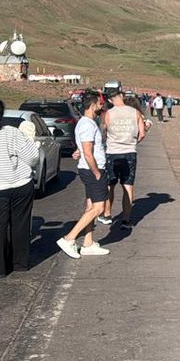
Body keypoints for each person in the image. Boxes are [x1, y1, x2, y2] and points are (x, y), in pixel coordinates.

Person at [0, 99, 40, 278]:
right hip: (19, 185)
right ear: (2, 114)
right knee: (20, 225)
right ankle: (20, 264)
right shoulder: (13, 133)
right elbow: (33, 158)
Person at [58, 91, 110, 258]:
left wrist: (78, 153)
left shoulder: (85, 123)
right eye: (99, 104)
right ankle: (69, 238)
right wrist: (97, 173)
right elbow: (88, 153)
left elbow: (83, 149)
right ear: (93, 105)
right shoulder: (87, 124)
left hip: (89, 168)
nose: (101, 106)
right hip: (92, 170)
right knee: (98, 208)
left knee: (90, 207)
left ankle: (88, 243)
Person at [99, 84, 146, 231]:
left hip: (112, 153)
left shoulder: (108, 114)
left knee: (110, 185)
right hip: (130, 152)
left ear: (111, 100)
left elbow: (103, 132)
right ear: (122, 97)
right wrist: (132, 142)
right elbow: (142, 133)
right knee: (128, 186)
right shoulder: (135, 113)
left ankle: (107, 214)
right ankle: (126, 219)